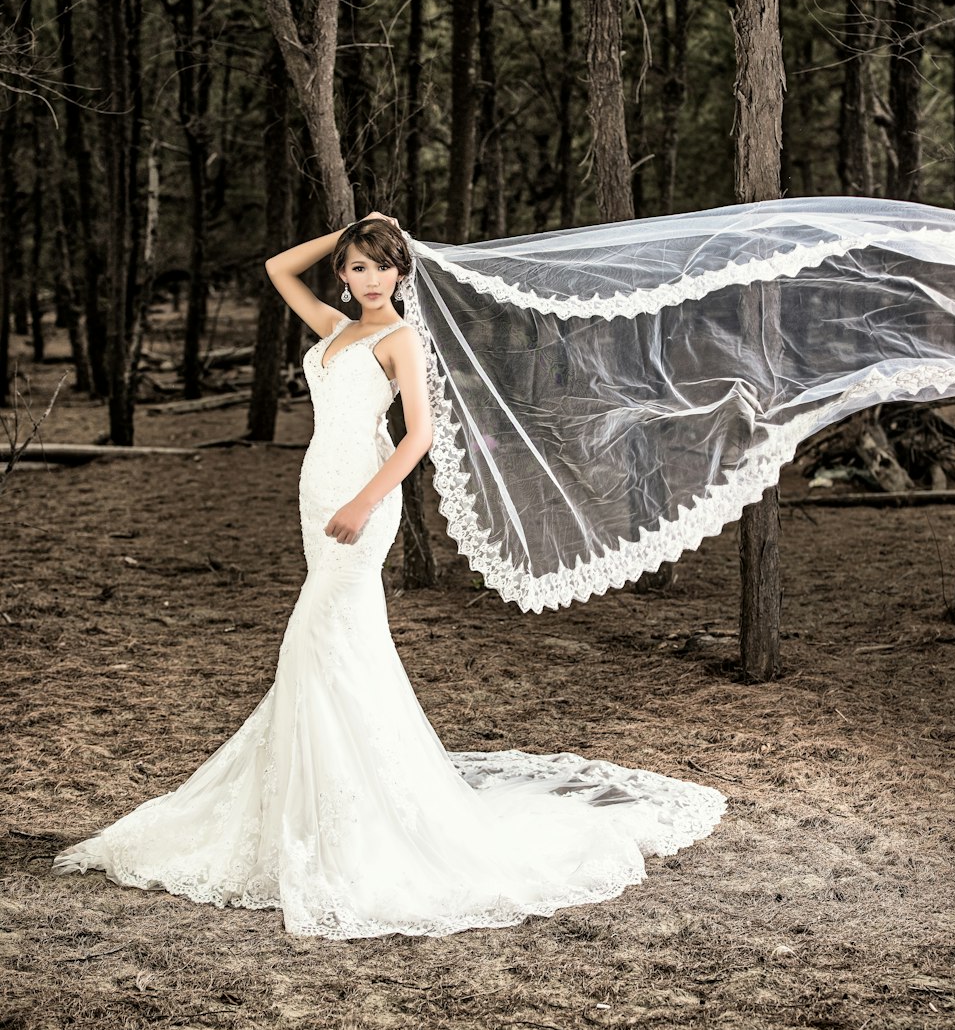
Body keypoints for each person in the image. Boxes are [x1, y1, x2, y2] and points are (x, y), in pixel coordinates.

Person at [52, 212, 726, 940]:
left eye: (382, 265)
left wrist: (366, 502)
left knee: (320, 631)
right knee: (330, 638)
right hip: (318, 490)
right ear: (343, 274)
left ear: (402, 272)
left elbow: (421, 435)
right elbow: (279, 266)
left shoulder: (400, 338)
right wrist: (352, 226)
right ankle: (313, 794)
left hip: (363, 497)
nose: (370, 278)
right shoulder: (331, 327)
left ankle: (348, 803)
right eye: (357, 267)